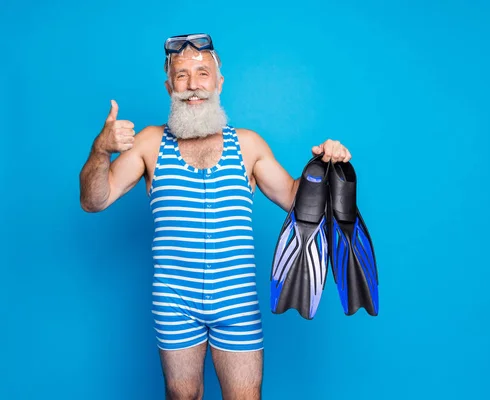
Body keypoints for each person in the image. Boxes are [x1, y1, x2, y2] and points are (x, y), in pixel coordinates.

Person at [79, 33, 352, 400]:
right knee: (183, 396)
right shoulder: (149, 143)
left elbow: (293, 198)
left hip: (236, 300)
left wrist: (324, 164)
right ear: (168, 86)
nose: (193, 85)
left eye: (202, 73)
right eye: (181, 76)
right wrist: (101, 149)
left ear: (219, 82)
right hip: (174, 302)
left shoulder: (249, 144)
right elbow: (94, 201)